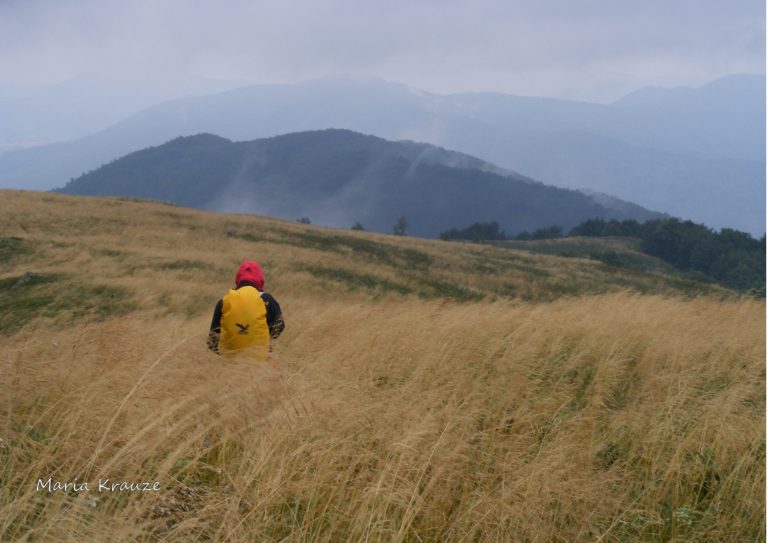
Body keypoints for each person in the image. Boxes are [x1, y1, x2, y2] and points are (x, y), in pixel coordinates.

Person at [207, 260, 285, 359]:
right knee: (273, 358)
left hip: (228, 361)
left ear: (238, 280)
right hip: (261, 361)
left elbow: (212, 341)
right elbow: (280, 325)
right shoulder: (267, 299)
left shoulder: (224, 301)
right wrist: (266, 341)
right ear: (260, 280)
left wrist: (223, 356)